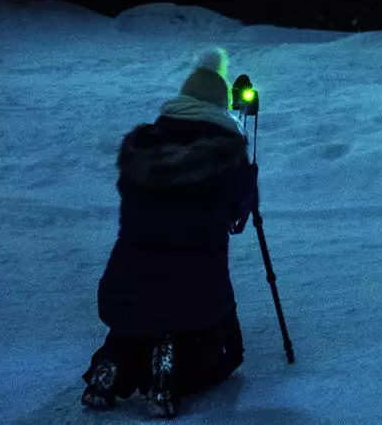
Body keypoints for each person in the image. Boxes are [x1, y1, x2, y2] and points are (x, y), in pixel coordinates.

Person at [82, 47, 261, 417]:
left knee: (134, 325)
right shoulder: (227, 154)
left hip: (123, 290)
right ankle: (170, 366)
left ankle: (113, 363)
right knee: (225, 350)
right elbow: (238, 218)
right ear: (218, 105)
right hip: (196, 293)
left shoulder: (142, 147)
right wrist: (248, 176)